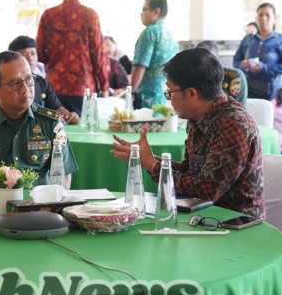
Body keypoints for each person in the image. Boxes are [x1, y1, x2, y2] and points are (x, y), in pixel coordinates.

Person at [111, 48, 264, 218]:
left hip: (235, 226)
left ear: (192, 94)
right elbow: (190, 171)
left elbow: (204, 192)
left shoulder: (234, 125)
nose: (168, 99)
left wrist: (152, 165)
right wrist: (149, 158)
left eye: (170, 92)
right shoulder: (198, 117)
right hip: (202, 219)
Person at [0, 51, 78, 187]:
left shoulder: (50, 122)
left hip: (40, 205)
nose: (26, 89)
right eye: (15, 83)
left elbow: (64, 175)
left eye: (29, 79)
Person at [36, 0, 110, 114]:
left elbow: (39, 51)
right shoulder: (90, 15)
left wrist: (54, 61)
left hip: (54, 87)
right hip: (83, 87)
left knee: (56, 131)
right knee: (85, 132)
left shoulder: (48, 15)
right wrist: (104, 86)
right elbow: (98, 54)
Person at [6, 36, 79, 124]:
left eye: (33, 54)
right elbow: (19, 112)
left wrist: (69, 115)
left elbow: (57, 108)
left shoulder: (41, 82)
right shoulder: (7, 82)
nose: (30, 58)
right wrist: (51, 116)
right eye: (24, 54)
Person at [233, 2, 282, 100]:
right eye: (260, 15)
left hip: (270, 93)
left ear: (275, 18)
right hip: (247, 89)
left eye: (267, 15)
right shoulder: (248, 39)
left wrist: (264, 68)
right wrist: (241, 65)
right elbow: (236, 61)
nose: (263, 18)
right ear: (256, 18)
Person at [130, 0, 179, 108]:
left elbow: (140, 65)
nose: (141, 14)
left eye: (144, 10)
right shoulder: (170, 35)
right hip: (166, 95)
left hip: (148, 96)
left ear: (156, 11)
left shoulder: (149, 32)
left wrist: (131, 91)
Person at [195, 40, 248, 106]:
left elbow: (237, 111)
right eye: (201, 61)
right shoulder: (192, 78)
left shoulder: (233, 76)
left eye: (210, 60)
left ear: (218, 60)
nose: (206, 65)